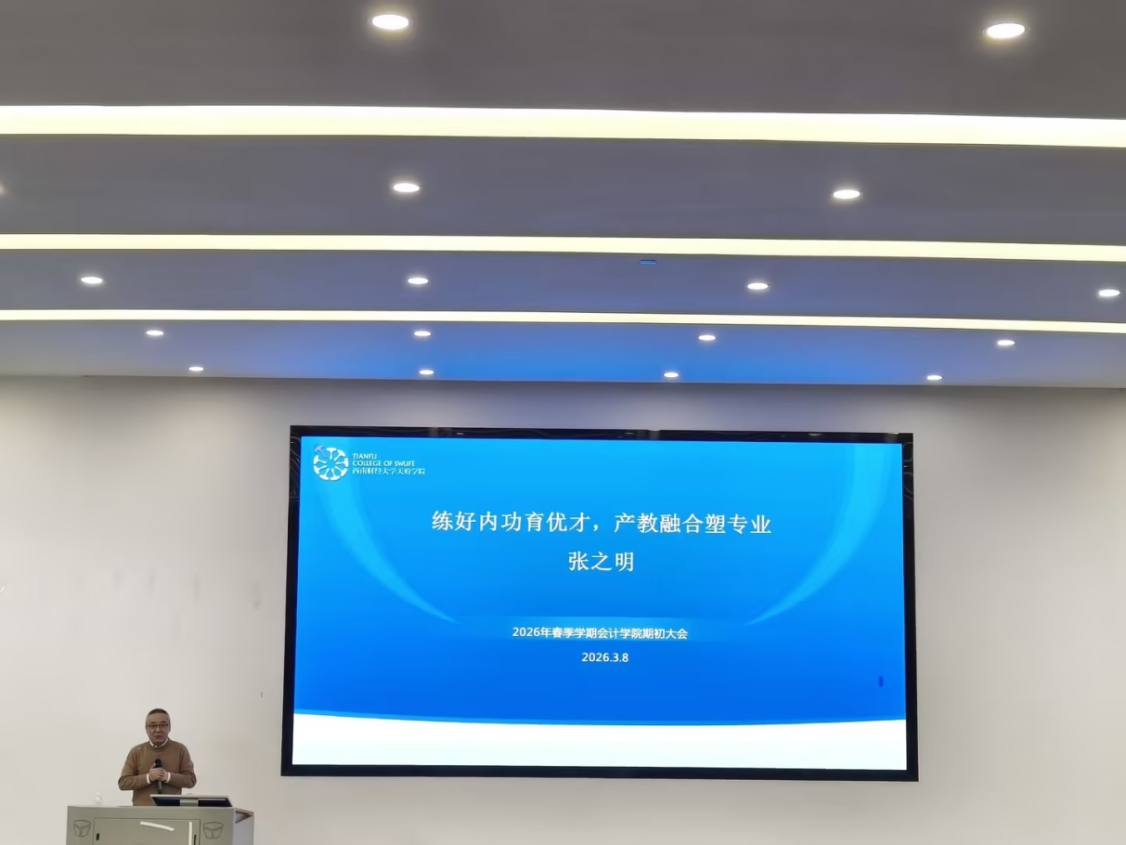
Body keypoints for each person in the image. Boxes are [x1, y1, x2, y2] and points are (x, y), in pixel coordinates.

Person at [118, 708, 197, 806]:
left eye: (163, 725)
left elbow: (191, 780)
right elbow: (123, 783)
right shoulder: (136, 751)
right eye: (153, 726)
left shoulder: (180, 749)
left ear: (169, 727)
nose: (158, 730)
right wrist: (148, 777)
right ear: (146, 729)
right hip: (141, 811)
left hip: (172, 810)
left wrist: (167, 776)